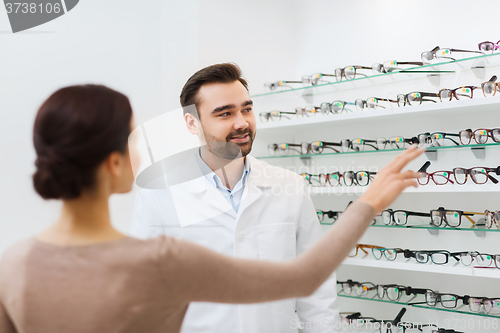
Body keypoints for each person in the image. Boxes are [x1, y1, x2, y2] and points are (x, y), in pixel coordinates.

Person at [0, 84, 424, 333]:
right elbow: (305, 276)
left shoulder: (13, 266)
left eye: (246, 108)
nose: (241, 122)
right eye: (132, 139)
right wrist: (369, 203)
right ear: (114, 163)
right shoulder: (156, 261)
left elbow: (316, 294)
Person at [130, 63, 344, 333]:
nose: (242, 122)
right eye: (225, 113)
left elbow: (317, 286)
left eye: (246, 109)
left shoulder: (289, 187)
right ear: (192, 123)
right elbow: (143, 294)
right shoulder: (158, 196)